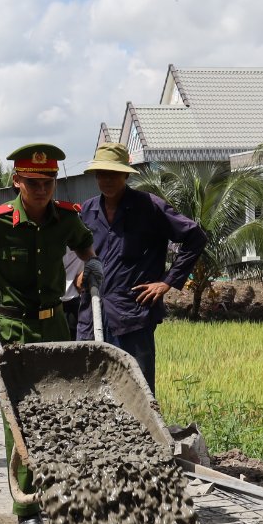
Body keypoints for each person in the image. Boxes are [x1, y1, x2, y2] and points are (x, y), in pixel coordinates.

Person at [0, 144, 100, 524]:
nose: (41, 188)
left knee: (62, 412)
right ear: (17, 180)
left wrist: (92, 261)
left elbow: (84, 243)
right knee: (18, 417)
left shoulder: (65, 218)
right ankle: (26, 505)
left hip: (55, 327)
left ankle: (64, 495)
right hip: (12, 328)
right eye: (33, 182)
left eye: (48, 181)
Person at [73, 142, 207, 393]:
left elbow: (195, 237)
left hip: (132, 314)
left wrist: (167, 281)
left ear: (125, 174)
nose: (107, 180)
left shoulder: (150, 206)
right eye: (102, 174)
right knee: (89, 389)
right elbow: (78, 250)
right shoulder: (87, 210)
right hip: (92, 313)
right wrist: (81, 273)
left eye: (113, 173)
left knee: (137, 390)